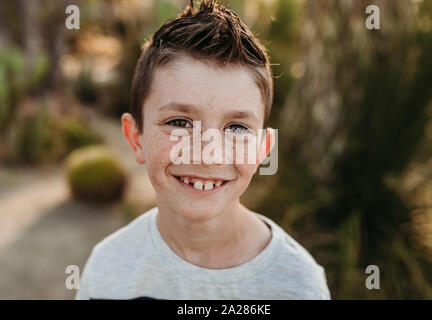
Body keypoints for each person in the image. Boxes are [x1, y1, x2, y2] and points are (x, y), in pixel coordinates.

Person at [76, 0, 330, 300]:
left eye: (237, 127)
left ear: (263, 149)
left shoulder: (297, 284)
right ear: (136, 137)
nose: (207, 154)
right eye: (180, 122)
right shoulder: (107, 270)